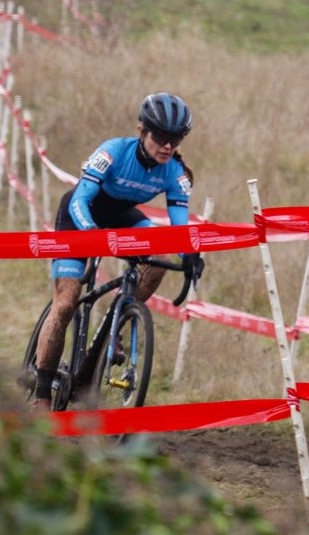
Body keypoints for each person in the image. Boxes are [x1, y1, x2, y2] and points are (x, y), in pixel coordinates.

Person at [30, 92, 197, 410]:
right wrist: (92, 234)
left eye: (175, 139)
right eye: (161, 136)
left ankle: (116, 323)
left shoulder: (174, 173)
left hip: (121, 217)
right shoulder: (112, 152)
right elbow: (80, 198)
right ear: (142, 130)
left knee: (158, 259)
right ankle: (41, 392)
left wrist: (190, 255)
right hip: (79, 216)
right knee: (66, 304)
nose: (167, 146)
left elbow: (178, 229)